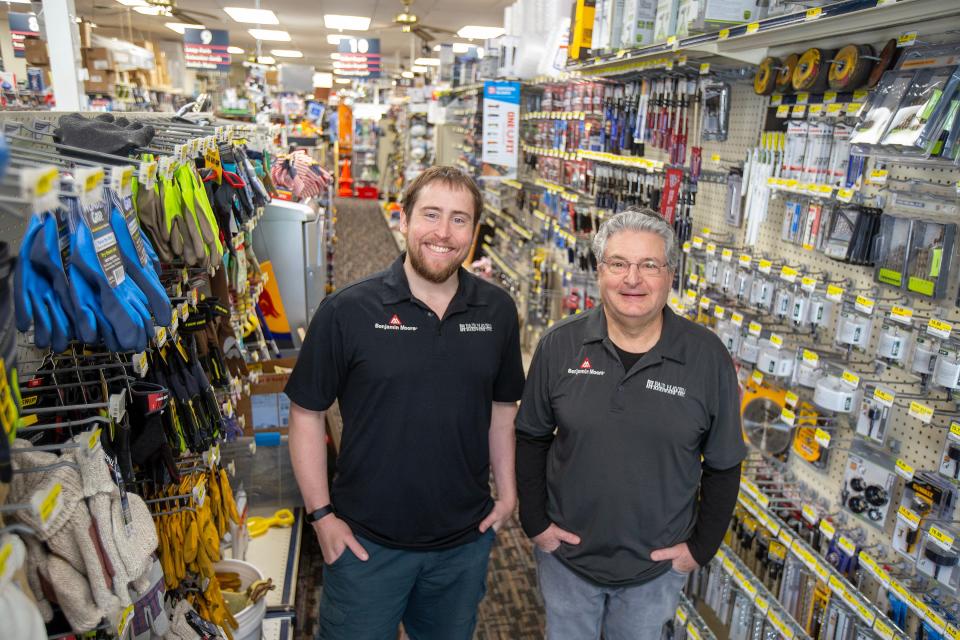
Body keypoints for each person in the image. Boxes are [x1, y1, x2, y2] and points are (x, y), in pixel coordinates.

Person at [285, 166, 525, 640]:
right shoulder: (348, 311)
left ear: (474, 232)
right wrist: (321, 517)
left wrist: (509, 493)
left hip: (462, 544)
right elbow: (306, 412)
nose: (443, 232)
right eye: (431, 215)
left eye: (460, 220)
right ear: (404, 220)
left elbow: (502, 410)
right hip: (364, 543)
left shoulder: (497, 311)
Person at [516, 208, 746, 640]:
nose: (632, 279)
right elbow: (530, 437)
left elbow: (724, 462)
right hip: (566, 559)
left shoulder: (706, 357)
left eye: (649, 265)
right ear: (600, 272)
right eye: (618, 264)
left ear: (670, 276)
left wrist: (700, 549)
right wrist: (536, 524)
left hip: (654, 570)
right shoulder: (559, 345)